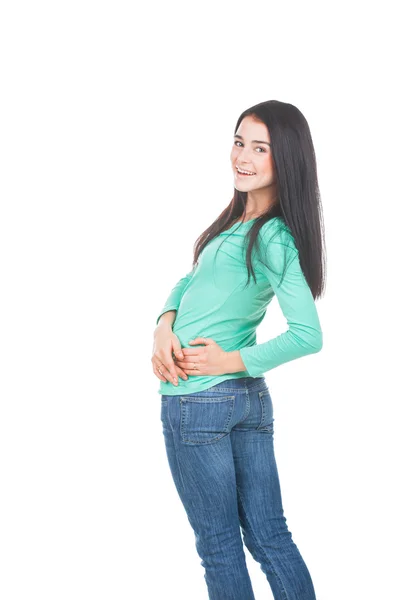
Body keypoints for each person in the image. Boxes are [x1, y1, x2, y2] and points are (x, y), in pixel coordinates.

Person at [151, 100, 326, 600]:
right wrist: (163, 324)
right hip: (241, 400)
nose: (242, 157)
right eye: (238, 141)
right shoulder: (236, 221)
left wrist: (230, 360)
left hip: (201, 399)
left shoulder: (271, 236)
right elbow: (191, 281)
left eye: (259, 148)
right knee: (270, 537)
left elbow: (308, 335)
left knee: (222, 546)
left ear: (285, 159)